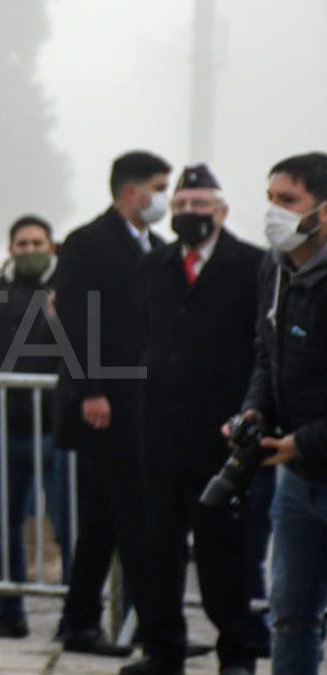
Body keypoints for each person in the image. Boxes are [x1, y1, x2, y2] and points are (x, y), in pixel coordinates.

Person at [119, 165, 264, 675]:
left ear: (221, 212)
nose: (188, 215)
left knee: (224, 554)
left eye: (199, 206)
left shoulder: (252, 264)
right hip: (160, 432)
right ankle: (163, 650)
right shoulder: (154, 264)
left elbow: (258, 347)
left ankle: (237, 653)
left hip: (220, 434)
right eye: (180, 206)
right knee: (158, 550)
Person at [53, 151, 171, 657]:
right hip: (106, 406)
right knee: (135, 520)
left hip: (143, 405)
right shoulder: (89, 243)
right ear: (131, 191)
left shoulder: (158, 246)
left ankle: (80, 622)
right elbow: (75, 322)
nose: (164, 197)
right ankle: (157, 633)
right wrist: (92, 389)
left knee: (102, 523)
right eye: (160, 186)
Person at [237, 152, 327, 674]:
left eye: (288, 201)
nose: (275, 213)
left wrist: (304, 442)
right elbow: (266, 354)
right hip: (297, 482)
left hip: (309, 453)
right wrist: (253, 411)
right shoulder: (273, 267)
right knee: (290, 616)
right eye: (271, 199)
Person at [0, 215, 69, 639]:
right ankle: (11, 611)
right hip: (7, 428)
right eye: (22, 243)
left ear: (52, 247)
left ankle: (76, 611)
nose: (29, 249)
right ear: (10, 248)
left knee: (66, 521)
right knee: (6, 523)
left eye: (38, 242)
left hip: (56, 430)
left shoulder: (70, 289)